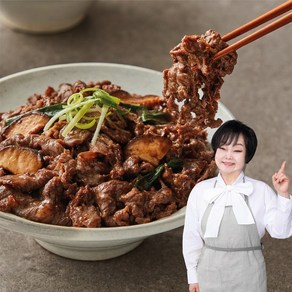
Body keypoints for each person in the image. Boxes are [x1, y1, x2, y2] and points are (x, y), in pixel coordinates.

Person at [182, 120, 291, 292]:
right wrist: (193, 276)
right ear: (215, 150)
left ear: (247, 155)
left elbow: (281, 232)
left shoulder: (260, 190)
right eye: (223, 148)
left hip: (249, 275)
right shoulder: (201, 190)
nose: (228, 156)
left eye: (237, 150)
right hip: (209, 274)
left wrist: (283, 195)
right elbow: (191, 237)